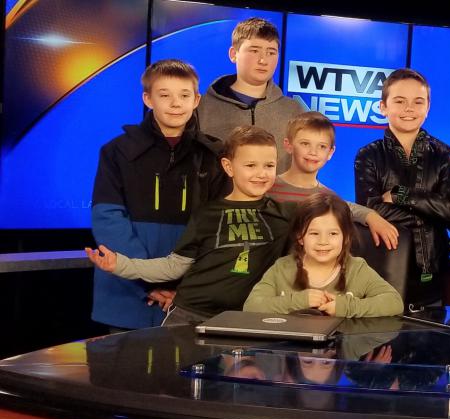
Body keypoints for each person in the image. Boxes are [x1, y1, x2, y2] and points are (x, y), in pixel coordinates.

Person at [86, 126, 296, 326]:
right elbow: (174, 266)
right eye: (251, 165)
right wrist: (121, 265)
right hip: (189, 315)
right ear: (228, 167)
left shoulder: (285, 215)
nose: (261, 173)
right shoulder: (206, 214)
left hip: (243, 320)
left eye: (269, 165)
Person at [91, 59, 228, 331]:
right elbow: (107, 218)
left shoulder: (213, 156)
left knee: (184, 372)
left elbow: (218, 229)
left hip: (189, 300)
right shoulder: (117, 152)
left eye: (184, 95)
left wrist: (184, 285)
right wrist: (150, 280)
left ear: (196, 99)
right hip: (126, 296)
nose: (175, 103)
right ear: (148, 98)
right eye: (164, 95)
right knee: (124, 371)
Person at [354, 68, 450, 307]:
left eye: (418, 102)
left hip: (431, 277)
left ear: (427, 107)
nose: (409, 109)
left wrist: (400, 195)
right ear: (383, 107)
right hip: (381, 272)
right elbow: (370, 210)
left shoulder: (443, 156)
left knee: (428, 341)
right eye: (400, 101)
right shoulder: (368, 155)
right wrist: (430, 214)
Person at [243, 191, 403, 317]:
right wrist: (300, 301)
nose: (323, 241)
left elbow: (394, 302)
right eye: (314, 233)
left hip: (339, 353)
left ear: (346, 237)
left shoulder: (357, 269)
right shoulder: (283, 268)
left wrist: (344, 307)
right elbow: (251, 306)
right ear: (300, 237)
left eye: (333, 234)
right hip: (293, 352)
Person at [269, 111, 398, 248]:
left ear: (330, 152)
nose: (313, 152)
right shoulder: (268, 187)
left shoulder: (329, 197)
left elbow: (346, 207)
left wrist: (371, 215)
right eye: (305, 144)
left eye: (322, 146)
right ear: (288, 145)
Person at [197, 17, 305, 172]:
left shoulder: (294, 111)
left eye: (271, 52)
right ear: (233, 54)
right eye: (254, 50)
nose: (263, 60)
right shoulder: (202, 107)